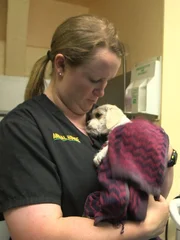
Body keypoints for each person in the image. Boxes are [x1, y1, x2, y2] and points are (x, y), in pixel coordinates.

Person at [0, 14, 173, 240]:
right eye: (94, 80)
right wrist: (145, 228)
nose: (101, 91)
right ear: (61, 65)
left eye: (107, 81)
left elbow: (151, 194)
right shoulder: (23, 128)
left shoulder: (106, 119)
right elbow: (37, 233)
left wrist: (167, 156)